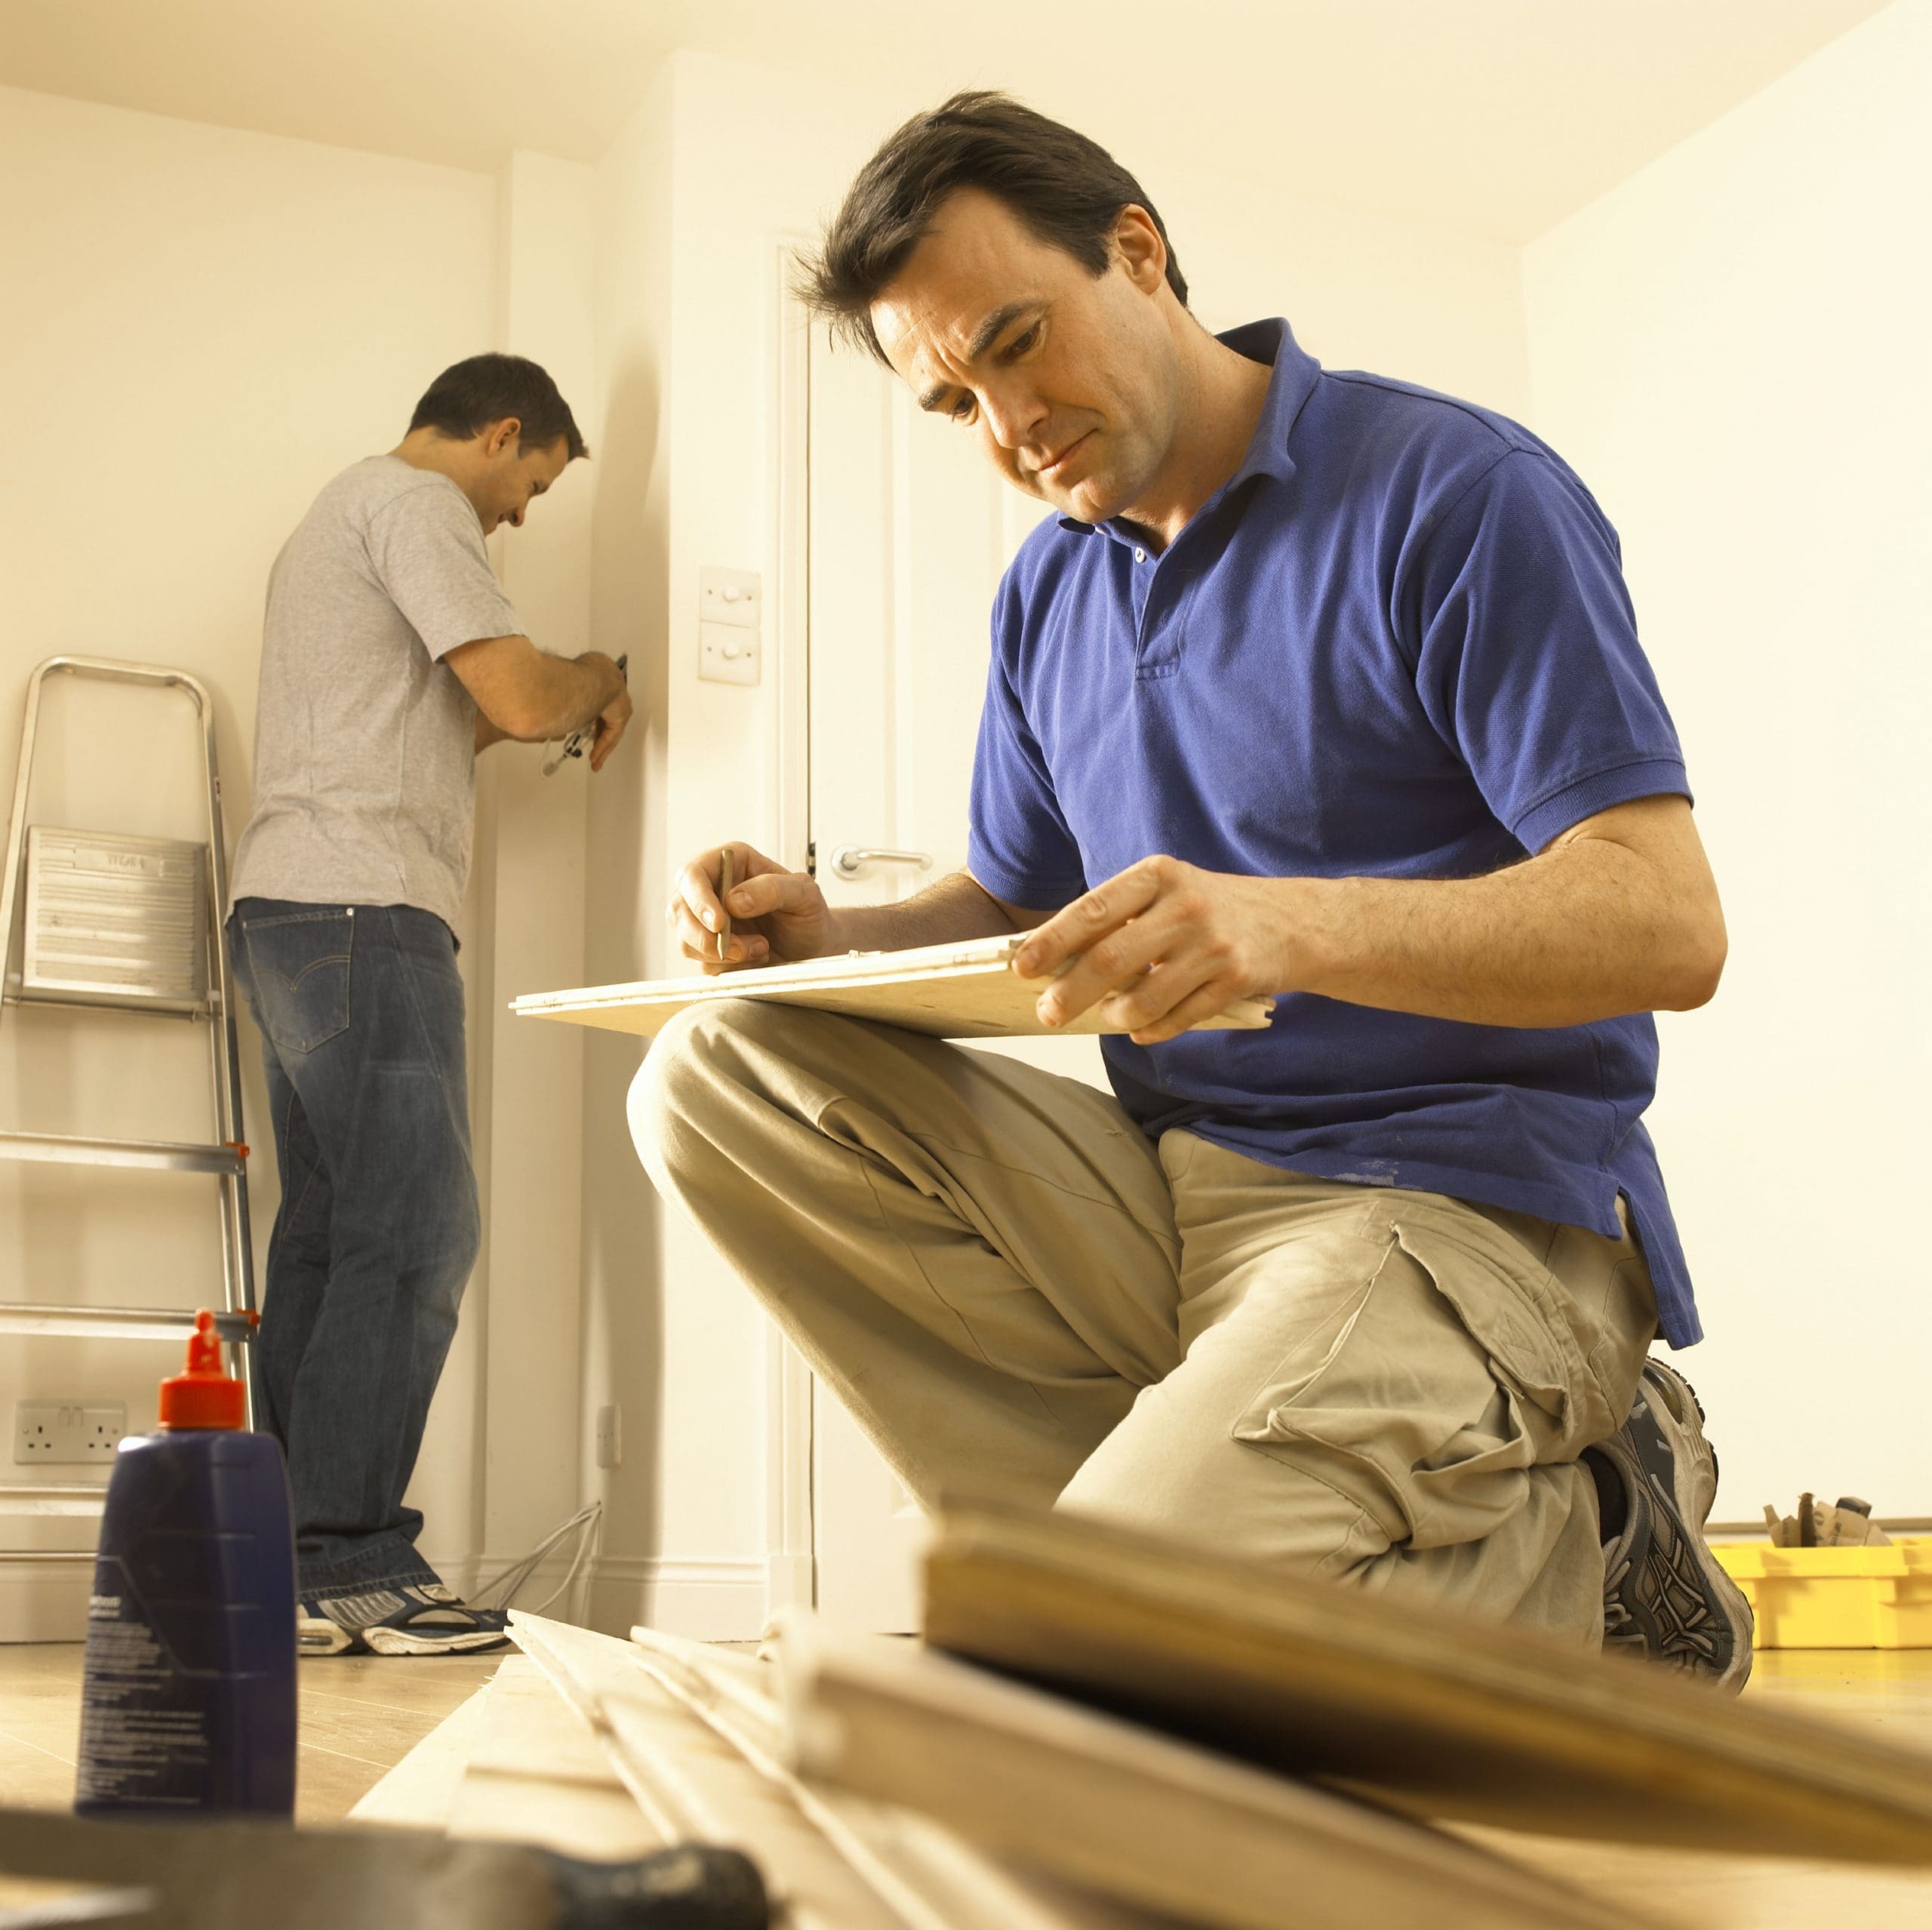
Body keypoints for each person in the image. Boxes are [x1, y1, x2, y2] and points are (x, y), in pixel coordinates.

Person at [639, 96, 1753, 1682]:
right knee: (718, 1071)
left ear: (1137, 253)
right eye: (953, 405)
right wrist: (828, 936)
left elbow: (1662, 920)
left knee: (1078, 1654)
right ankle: (1200, 1553)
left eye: (1016, 343)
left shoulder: (1451, 492)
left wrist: (1285, 920)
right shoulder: (1047, 592)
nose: (1006, 424)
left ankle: (1570, 1549)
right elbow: (1015, 908)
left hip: (1461, 1207)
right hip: (1175, 1200)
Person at [227, 353, 632, 1656]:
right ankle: (351, 1563)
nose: (519, 515)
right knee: (418, 1232)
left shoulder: (334, 518)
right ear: (503, 431)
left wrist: (546, 706)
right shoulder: (416, 507)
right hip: (363, 912)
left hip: (293, 910)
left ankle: (293, 1564)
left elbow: (447, 726)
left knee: (335, 1239)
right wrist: (602, 679)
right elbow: (518, 693)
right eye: (532, 481)